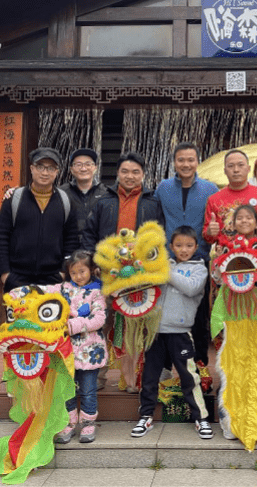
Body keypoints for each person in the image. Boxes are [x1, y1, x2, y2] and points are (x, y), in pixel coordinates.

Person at [81, 152, 164, 391]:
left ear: (143, 175)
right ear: (117, 173)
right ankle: (97, 375)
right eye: (125, 171)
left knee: (137, 326)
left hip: (140, 276)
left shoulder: (152, 202)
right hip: (107, 275)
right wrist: (93, 262)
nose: (130, 176)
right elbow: (89, 234)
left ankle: (134, 377)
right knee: (102, 323)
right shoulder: (103, 201)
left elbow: (159, 238)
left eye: (135, 172)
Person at [211, 204, 257, 449]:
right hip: (233, 317)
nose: (243, 221)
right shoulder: (224, 247)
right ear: (232, 223)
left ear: (256, 221)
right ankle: (230, 422)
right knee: (233, 367)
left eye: (248, 218)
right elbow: (216, 279)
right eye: (238, 218)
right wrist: (216, 263)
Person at [131, 226, 214, 440]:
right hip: (155, 332)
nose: (183, 250)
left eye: (188, 245)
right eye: (178, 245)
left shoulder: (199, 268)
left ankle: (201, 418)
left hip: (181, 332)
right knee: (149, 376)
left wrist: (166, 272)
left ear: (196, 246)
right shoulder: (162, 264)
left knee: (189, 377)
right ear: (171, 247)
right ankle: (146, 416)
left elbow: (192, 288)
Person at [154, 142, 218, 390]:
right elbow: (157, 220)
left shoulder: (210, 189)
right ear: (175, 162)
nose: (186, 164)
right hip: (168, 262)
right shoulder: (163, 188)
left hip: (198, 259)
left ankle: (200, 366)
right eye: (181, 160)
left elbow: (217, 223)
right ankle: (165, 368)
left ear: (197, 161)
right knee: (165, 316)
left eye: (190, 159)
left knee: (198, 319)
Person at [0, 147, 78, 292]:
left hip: (53, 279)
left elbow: (71, 239)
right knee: (21, 315)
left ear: (57, 172)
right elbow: (1, 237)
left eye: (50, 168)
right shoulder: (14, 199)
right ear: (32, 168)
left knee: (53, 314)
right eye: (40, 167)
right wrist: (6, 274)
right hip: (17, 278)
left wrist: (63, 272)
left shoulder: (65, 201)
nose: (45, 172)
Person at [44, 251, 106, 444]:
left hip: (90, 351)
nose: (78, 276)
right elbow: (43, 292)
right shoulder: (63, 289)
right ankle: (68, 423)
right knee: (67, 389)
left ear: (91, 270)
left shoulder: (97, 292)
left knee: (88, 389)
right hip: (66, 351)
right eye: (74, 272)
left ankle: (87, 424)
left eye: (82, 271)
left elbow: (100, 318)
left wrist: (75, 325)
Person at [203, 150, 257, 244]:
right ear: (225, 171)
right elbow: (207, 236)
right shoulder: (214, 200)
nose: (236, 170)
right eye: (231, 166)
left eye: (240, 165)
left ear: (248, 169)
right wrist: (209, 232)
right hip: (225, 255)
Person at [60, 148, 109, 251]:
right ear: (71, 169)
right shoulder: (61, 193)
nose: (83, 169)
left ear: (95, 168)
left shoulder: (106, 193)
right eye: (78, 165)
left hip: (98, 252)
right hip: (68, 252)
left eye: (88, 164)